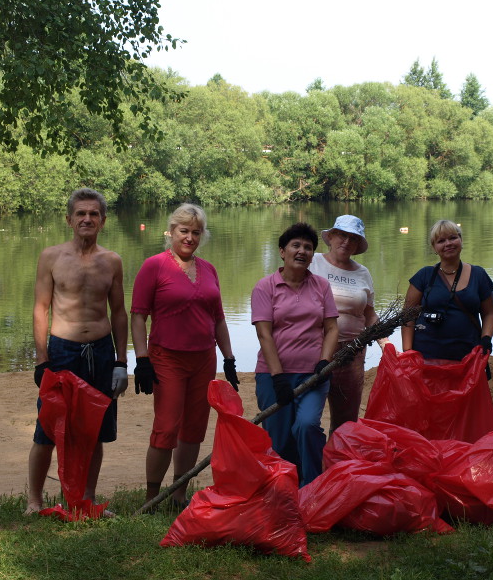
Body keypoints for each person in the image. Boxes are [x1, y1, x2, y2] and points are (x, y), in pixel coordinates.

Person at [27, 188, 128, 515]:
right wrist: (42, 359)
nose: (87, 219)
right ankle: (34, 501)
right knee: (47, 428)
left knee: (94, 428)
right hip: (62, 352)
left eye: (93, 214)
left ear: (103, 221)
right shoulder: (51, 257)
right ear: (69, 219)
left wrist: (121, 362)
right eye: (81, 214)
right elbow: (40, 309)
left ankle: (86, 499)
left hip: (100, 351)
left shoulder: (112, 260)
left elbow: (119, 313)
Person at [131, 204, 237, 510]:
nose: (189, 237)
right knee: (166, 427)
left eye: (195, 232)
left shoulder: (209, 270)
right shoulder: (154, 266)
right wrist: (141, 359)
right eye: (184, 231)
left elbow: (218, 318)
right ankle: (151, 498)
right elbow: (138, 316)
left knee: (194, 428)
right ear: (171, 232)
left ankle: (178, 493)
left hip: (204, 359)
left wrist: (228, 358)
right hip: (167, 359)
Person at [251, 222, 339, 486]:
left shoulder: (321, 286)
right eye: (296, 245)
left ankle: (312, 487)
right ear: (282, 251)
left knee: (307, 426)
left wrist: (324, 362)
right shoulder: (265, 287)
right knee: (278, 440)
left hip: (312, 376)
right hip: (272, 376)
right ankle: (283, 490)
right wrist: (277, 377)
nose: (302, 251)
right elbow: (264, 334)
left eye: (308, 248)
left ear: (313, 255)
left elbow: (332, 328)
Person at [309, 215, 386, 435]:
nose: (346, 241)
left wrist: (385, 343)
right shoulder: (312, 262)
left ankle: (338, 465)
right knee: (308, 417)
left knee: (345, 422)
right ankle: (309, 465)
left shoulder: (363, 273)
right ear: (331, 236)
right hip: (314, 350)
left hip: (352, 354)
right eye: (342, 235)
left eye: (353, 238)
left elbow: (369, 314)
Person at [401, 220, 493, 363]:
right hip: (427, 358)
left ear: (461, 240)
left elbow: (489, 313)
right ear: (434, 247)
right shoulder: (424, 276)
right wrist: (408, 352)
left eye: (453, 238)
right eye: (441, 241)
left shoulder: (479, 274)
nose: (448, 244)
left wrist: (486, 339)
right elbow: (407, 317)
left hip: (468, 356)